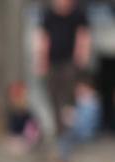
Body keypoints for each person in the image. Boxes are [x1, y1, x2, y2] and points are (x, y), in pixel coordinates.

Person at [34, 0, 91, 137]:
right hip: (52, 62)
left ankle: (68, 131)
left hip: (69, 62)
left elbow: (83, 36)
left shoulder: (78, 14)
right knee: (53, 96)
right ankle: (59, 129)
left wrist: (81, 57)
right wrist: (41, 59)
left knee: (67, 97)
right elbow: (43, 38)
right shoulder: (49, 14)